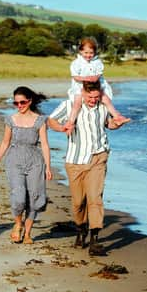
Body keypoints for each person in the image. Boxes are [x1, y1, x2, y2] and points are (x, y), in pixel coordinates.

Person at [48, 80, 126, 256]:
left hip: (98, 157)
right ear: (82, 93)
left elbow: (109, 125)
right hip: (75, 161)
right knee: (78, 202)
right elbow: (50, 120)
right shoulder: (69, 106)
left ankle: (94, 239)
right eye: (90, 97)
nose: (93, 100)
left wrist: (117, 124)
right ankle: (81, 228)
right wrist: (62, 127)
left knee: (95, 198)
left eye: (97, 97)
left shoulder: (103, 106)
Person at [0, 86, 52, 245]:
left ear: (29, 101)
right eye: (16, 103)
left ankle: (28, 234)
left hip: (35, 161)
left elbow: (44, 144)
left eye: (22, 102)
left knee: (34, 198)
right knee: (18, 197)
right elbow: (5, 142)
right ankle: (18, 223)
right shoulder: (11, 120)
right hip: (14, 160)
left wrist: (48, 167)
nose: (19, 106)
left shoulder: (40, 120)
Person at [63, 37, 130, 134]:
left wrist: (95, 78)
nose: (88, 55)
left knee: (105, 99)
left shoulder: (97, 62)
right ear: (81, 51)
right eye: (86, 53)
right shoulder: (76, 63)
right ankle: (70, 122)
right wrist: (86, 78)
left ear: (94, 52)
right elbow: (75, 77)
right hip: (80, 85)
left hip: (96, 84)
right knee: (77, 103)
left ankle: (117, 116)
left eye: (91, 53)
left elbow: (99, 74)